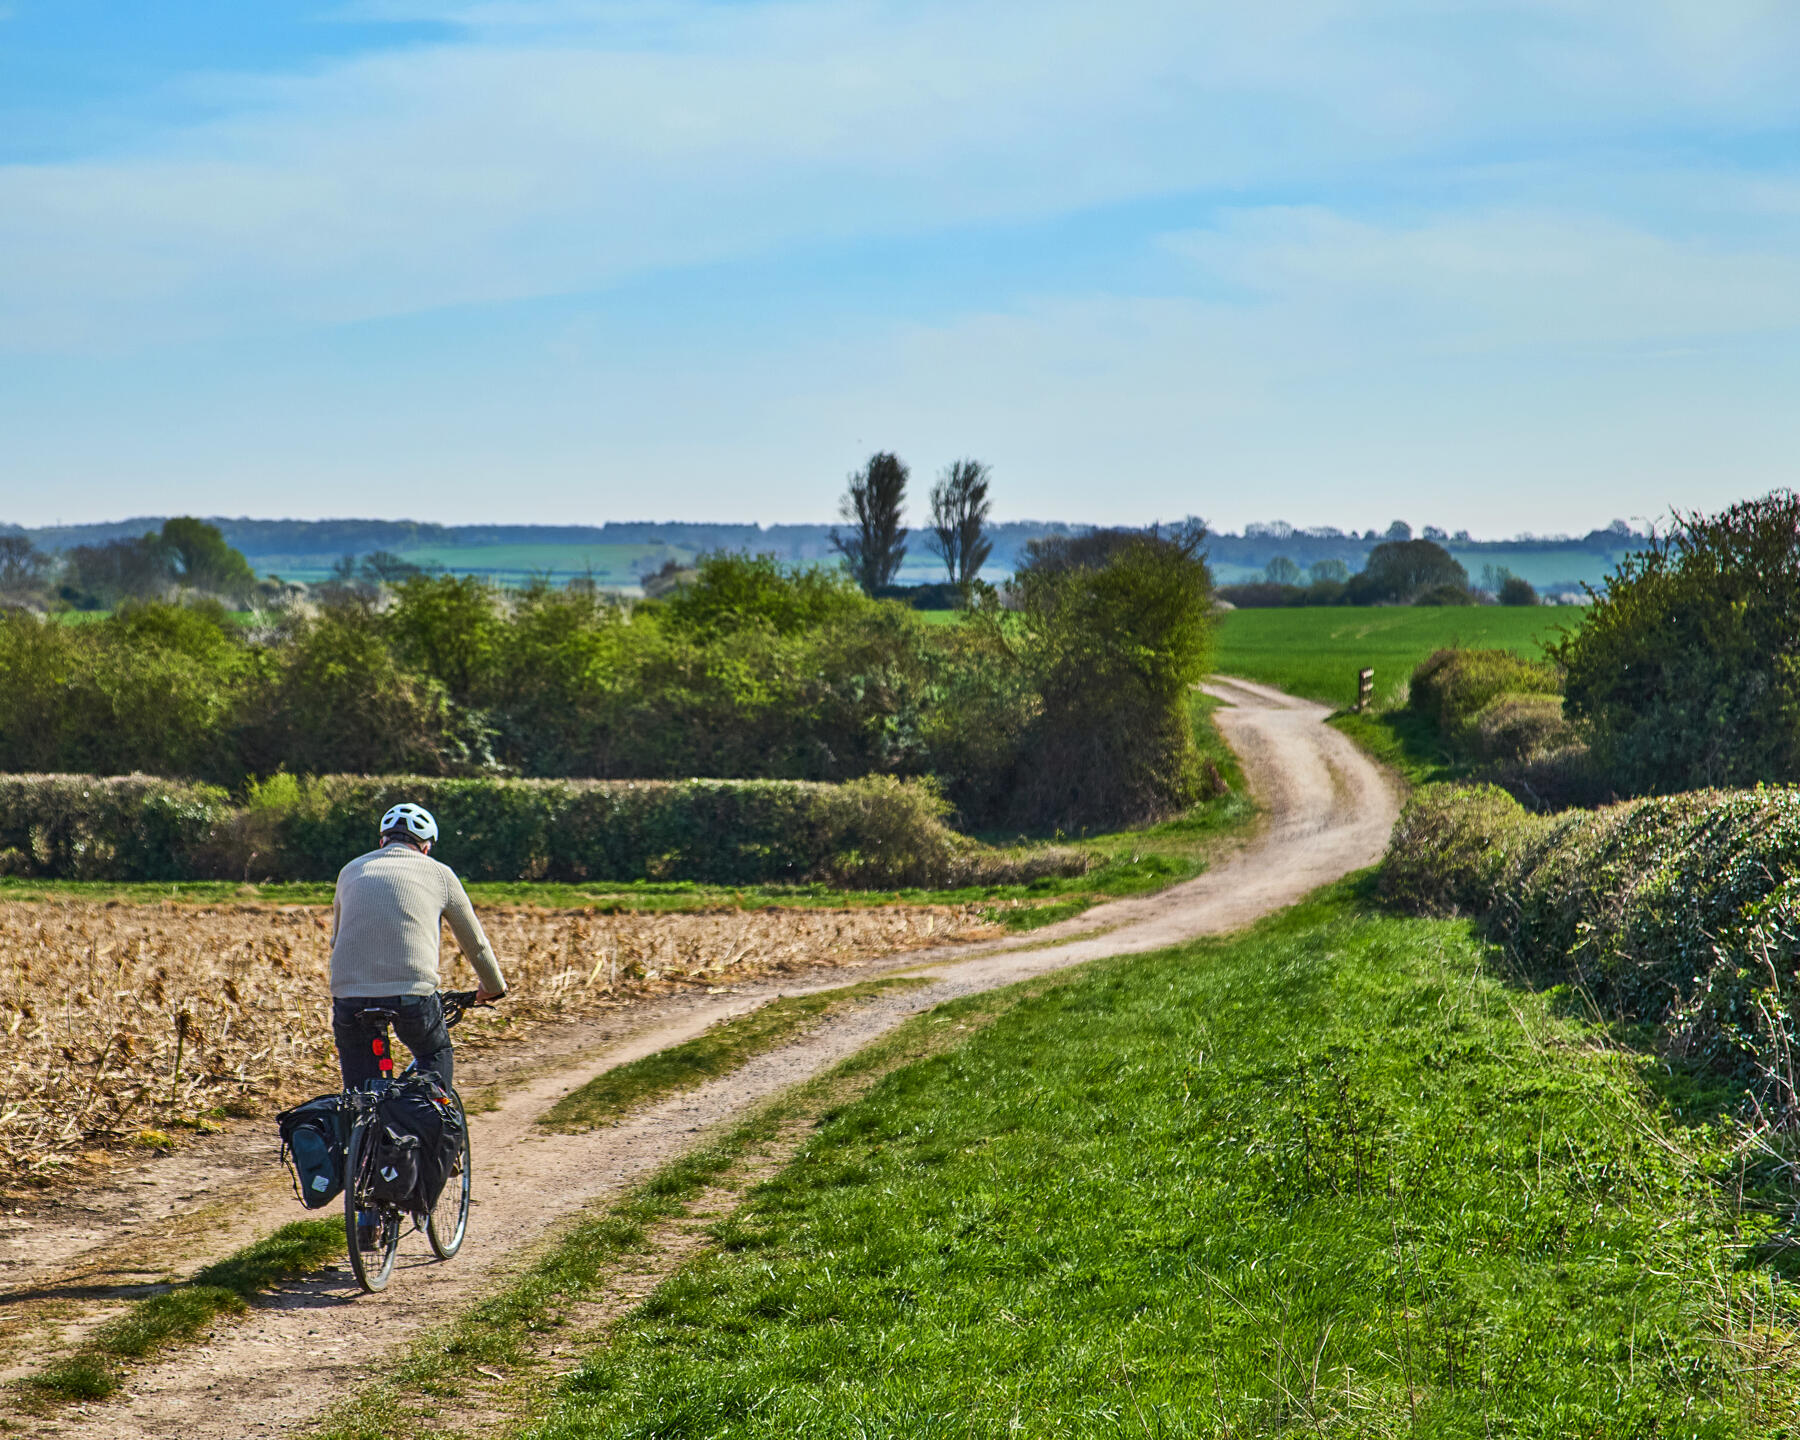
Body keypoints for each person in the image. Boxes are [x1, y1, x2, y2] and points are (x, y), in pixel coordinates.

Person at [329, 802, 507, 1094]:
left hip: (349, 994)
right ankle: (433, 1128)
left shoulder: (350, 870)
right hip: (411, 994)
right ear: (425, 848)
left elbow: (336, 939)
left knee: (359, 1093)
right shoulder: (439, 874)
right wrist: (493, 986)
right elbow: (475, 944)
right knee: (433, 1054)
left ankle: (359, 1133)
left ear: (381, 841)